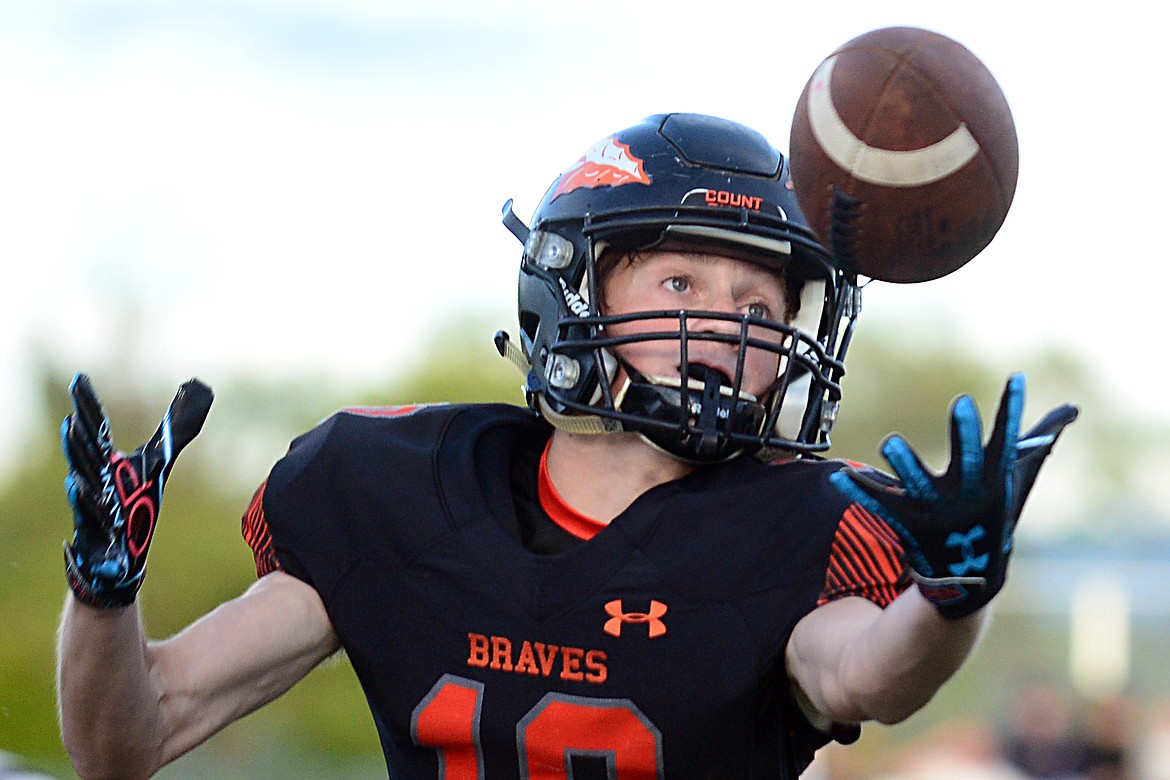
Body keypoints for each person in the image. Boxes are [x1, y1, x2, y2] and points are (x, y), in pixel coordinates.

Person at [56, 113, 1078, 779]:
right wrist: (103, 595)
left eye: (760, 306)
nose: (727, 325)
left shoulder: (794, 523)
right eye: (681, 286)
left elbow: (867, 673)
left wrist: (951, 600)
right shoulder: (399, 492)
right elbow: (126, 738)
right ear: (571, 294)